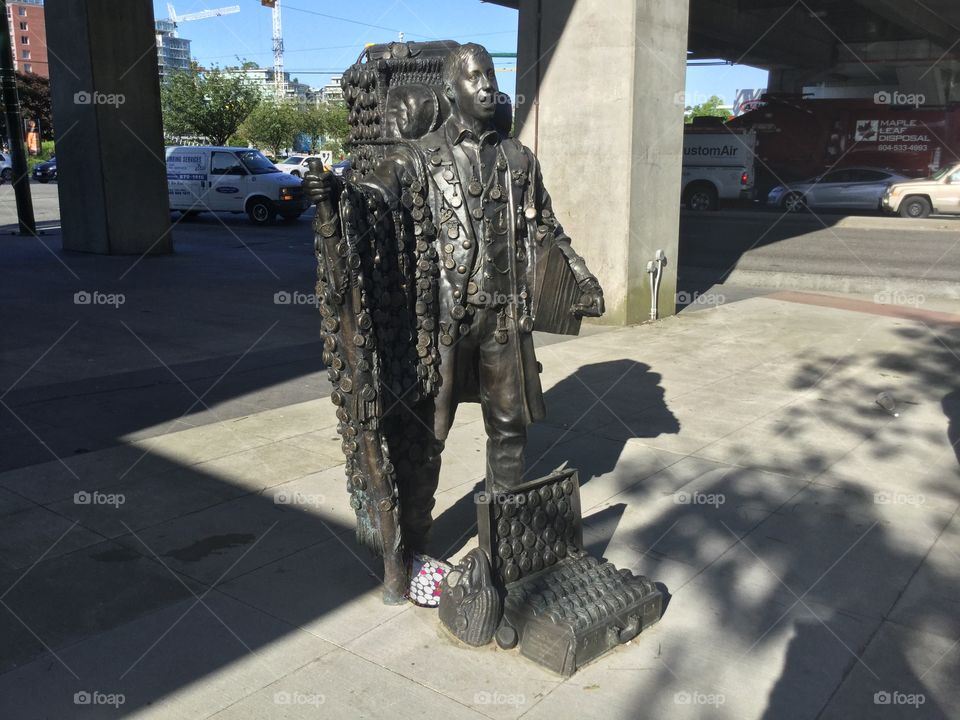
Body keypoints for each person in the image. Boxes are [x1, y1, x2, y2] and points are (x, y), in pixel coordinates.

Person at [306, 42, 603, 557]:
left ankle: (503, 538)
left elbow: (547, 228)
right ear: (451, 90)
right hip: (444, 321)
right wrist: (337, 194)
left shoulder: (518, 160)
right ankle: (417, 545)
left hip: (505, 318)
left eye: (491, 75)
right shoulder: (420, 156)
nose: (487, 85)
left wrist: (580, 276)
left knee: (510, 428)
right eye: (474, 78)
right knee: (429, 435)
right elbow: (376, 195)